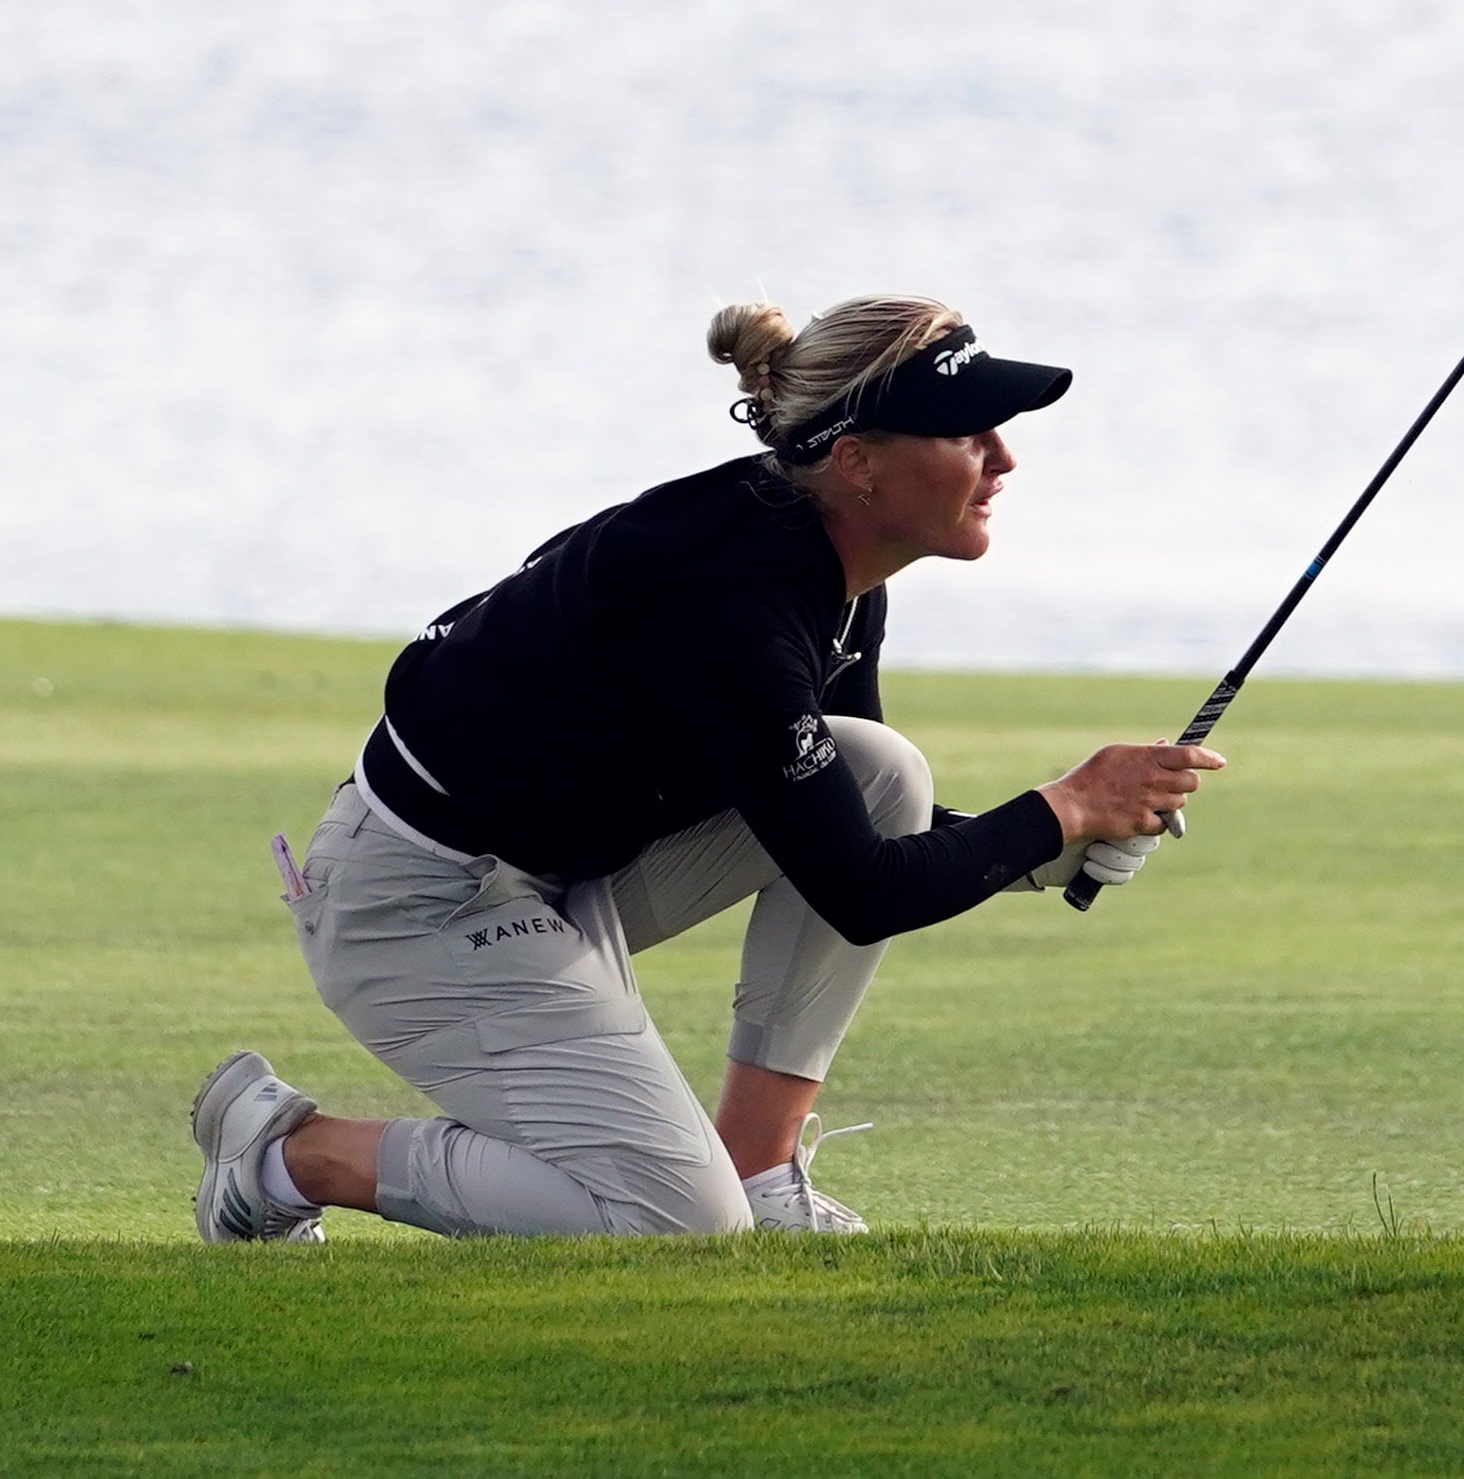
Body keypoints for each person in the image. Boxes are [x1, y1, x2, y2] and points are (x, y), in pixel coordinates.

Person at [190, 295, 1222, 1241]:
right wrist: (1063, 807)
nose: (1003, 458)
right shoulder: (733, 601)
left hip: (560, 873)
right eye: (966, 434)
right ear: (857, 461)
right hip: (416, 908)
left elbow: (835, 823)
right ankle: (287, 1155)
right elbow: (863, 890)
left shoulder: (832, 569)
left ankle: (759, 1169)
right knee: (678, 1225)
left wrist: (1052, 844)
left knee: (880, 771)